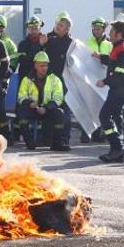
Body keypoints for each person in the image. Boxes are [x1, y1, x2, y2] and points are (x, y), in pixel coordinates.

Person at [96, 21, 124, 163]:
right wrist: (100, 57)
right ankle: (116, 151)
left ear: (118, 34)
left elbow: (120, 74)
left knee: (104, 116)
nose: (109, 33)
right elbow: (114, 63)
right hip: (120, 89)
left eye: (111, 31)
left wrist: (105, 81)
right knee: (116, 117)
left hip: (119, 90)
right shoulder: (119, 47)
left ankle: (117, 147)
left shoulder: (122, 49)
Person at [16, 51, 65, 150]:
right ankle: (30, 143)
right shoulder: (27, 79)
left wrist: (46, 108)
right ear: (35, 66)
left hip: (48, 109)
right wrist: (29, 103)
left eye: (46, 65)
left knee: (59, 113)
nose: (44, 68)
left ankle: (57, 144)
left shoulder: (55, 80)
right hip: (33, 109)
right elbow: (21, 96)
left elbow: (58, 98)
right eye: (41, 65)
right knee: (21, 111)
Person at [42, 11, 74, 151]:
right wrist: (42, 45)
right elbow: (40, 57)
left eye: (61, 25)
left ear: (67, 29)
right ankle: (49, 139)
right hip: (49, 82)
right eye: (57, 24)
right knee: (50, 109)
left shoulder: (72, 44)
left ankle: (64, 139)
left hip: (65, 83)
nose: (57, 27)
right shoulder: (50, 40)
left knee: (65, 113)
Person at [84, 17, 113, 143]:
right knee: (89, 106)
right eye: (94, 29)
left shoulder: (110, 44)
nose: (96, 31)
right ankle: (87, 132)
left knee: (102, 107)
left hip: (104, 80)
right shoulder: (87, 43)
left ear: (104, 29)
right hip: (90, 79)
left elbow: (112, 61)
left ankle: (101, 133)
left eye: (99, 29)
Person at [16, 16, 46, 80]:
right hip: (27, 81)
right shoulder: (22, 45)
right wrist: (39, 45)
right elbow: (24, 62)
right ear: (28, 29)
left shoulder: (46, 43)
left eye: (36, 28)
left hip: (43, 81)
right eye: (31, 28)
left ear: (40, 28)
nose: (34, 31)